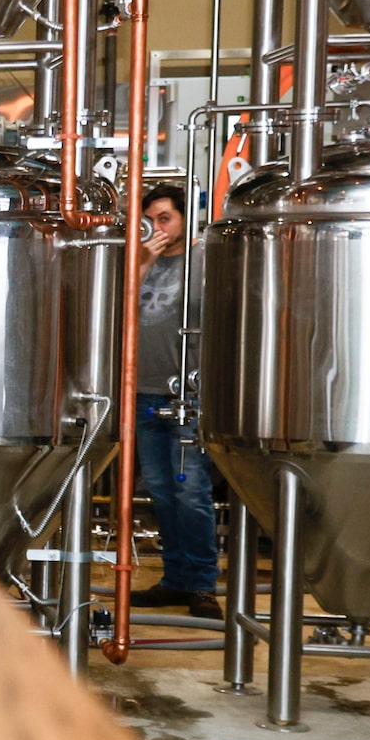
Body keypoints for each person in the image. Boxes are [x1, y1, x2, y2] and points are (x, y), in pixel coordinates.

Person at [133, 181, 221, 617]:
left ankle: (202, 585)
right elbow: (121, 306)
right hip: (144, 393)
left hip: (189, 394)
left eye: (165, 218)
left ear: (187, 219)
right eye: (149, 220)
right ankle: (175, 579)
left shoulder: (205, 260)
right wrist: (146, 254)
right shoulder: (141, 259)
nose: (157, 227)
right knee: (162, 494)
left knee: (191, 492)